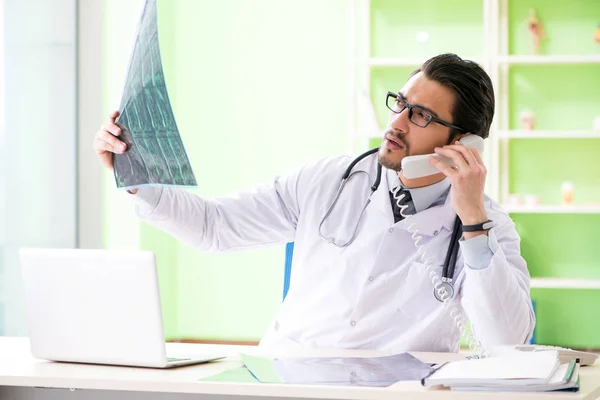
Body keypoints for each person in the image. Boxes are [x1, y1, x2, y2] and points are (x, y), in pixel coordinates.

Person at [94, 53, 535, 353]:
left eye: (419, 115)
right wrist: (137, 178)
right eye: (400, 103)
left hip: (393, 393)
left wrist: (473, 220)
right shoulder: (330, 179)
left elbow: (507, 340)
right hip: (289, 377)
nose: (396, 123)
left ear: (463, 143)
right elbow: (214, 227)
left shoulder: (487, 225)